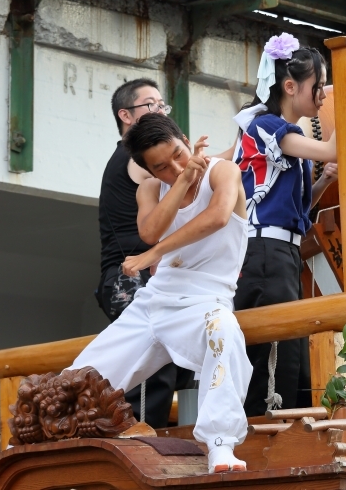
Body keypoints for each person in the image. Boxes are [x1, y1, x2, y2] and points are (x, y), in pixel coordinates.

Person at [72, 113, 252, 472]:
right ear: (151, 172)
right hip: (153, 303)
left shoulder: (221, 171)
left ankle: (220, 443)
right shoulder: (151, 188)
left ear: (185, 139)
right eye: (162, 167)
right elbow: (150, 232)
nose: (175, 165)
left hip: (206, 300)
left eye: (179, 153)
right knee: (78, 379)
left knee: (226, 334)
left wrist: (152, 256)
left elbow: (217, 217)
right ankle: (27, 445)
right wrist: (183, 180)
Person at [217, 33, 346, 416]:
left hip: (280, 251)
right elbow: (332, 149)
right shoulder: (267, 125)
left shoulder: (288, 133)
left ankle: (273, 434)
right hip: (265, 253)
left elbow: (299, 215)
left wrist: (320, 184)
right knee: (277, 354)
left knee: (291, 353)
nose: (323, 96)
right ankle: (263, 438)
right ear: (289, 86)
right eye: (318, 87)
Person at [97, 78, 193, 428]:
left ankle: (149, 434)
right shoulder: (132, 155)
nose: (159, 111)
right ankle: (140, 440)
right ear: (126, 114)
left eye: (161, 105)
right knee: (152, 358)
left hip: (137, 272)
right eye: (150, 105)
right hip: (128, 276)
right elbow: (184, 175)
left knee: (168, 359)